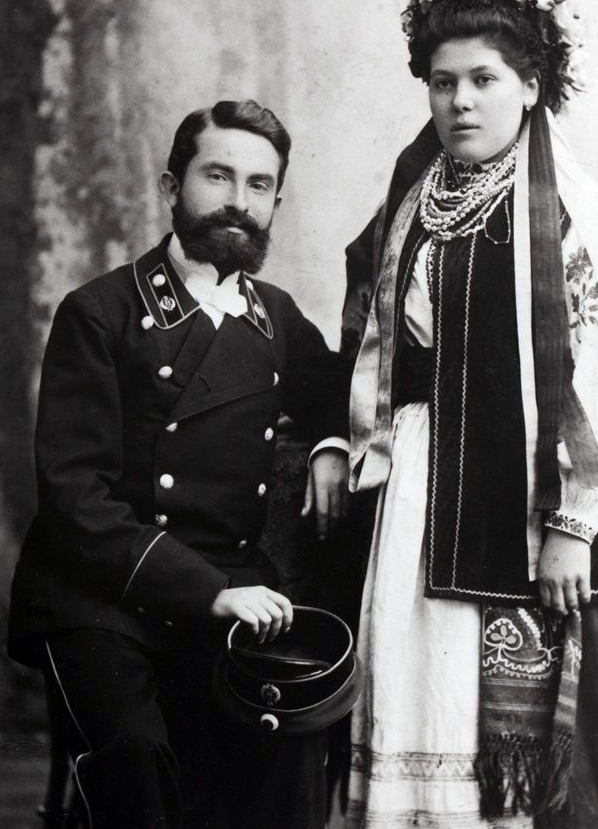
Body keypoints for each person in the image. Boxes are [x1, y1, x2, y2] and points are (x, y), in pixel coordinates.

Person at [340, 0, 598, 829]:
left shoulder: (571, 214)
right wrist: (351, 441)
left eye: (483, 79)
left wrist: (574, 523)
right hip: (427, 495)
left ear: (530, 85)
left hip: (539, 505)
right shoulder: (415, 199)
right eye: (443, 81)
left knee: (562, 769)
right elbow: (375, 341)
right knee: (427, 701)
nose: (460, 100)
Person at [8, 99, 350, 829]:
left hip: (234, 585)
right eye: (217, 176)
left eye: (259, 185)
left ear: (276, 203)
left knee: (294, 736)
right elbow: (75, 498)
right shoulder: (98, 312)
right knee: (135, 754)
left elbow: (340, 397)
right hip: (102, 598)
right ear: (172, 187)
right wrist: (208, 592)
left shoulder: (276, 318)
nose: (238, 202)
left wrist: (331, 445)